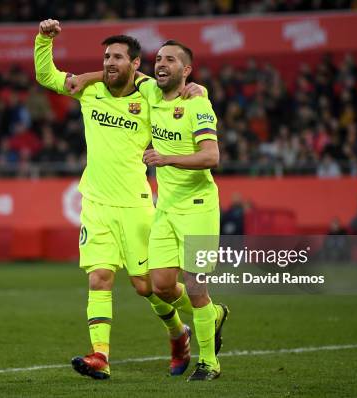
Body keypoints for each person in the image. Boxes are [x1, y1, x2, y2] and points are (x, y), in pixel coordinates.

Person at [34, 20, 203, 380]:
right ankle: (100, 355)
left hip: (136, 203)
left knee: (149, 287)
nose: (109, 62)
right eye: (106, 56)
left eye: (117, 57)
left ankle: (185, 329)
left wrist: (196, 90)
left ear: (136, 63)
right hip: (95, 202)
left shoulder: (149, 94)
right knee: (99, 278)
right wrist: (43, 40)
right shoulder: (89, 91)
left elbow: (179, 89)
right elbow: (47, 76)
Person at [71, 40, 229, 381]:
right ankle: (211, 317)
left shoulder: (198, 104)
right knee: (157, 287)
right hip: (166, 209)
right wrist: (88, 77)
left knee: (195, 286)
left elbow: (212, 157)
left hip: (199, 207)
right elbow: (124, 73)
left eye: (170, 60)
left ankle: (209, 363)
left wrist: (166, 157)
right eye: (158, 59)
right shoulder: (150, 96)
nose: (161, 64)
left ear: (186, 70)